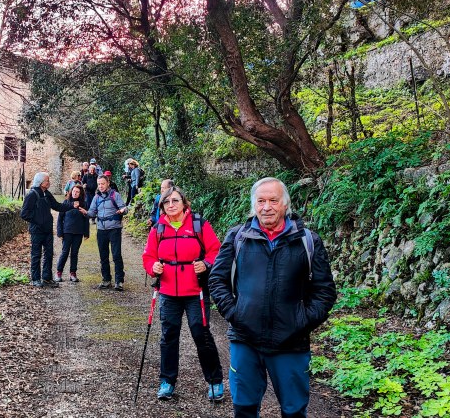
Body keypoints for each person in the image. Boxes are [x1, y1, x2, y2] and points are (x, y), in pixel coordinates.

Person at [208, 177, 337, 418]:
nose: (266, 207)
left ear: (285, 204)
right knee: (244, 408)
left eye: (273, 200)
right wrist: (235, 314)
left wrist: (302, 321)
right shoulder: (238, 237)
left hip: (291, 342)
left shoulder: (307, 240)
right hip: (245, 339)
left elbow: (324, 290)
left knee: (294, 411)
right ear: (253, 205)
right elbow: (217, 280)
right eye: (261, 201)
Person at [142, 186, 224, 401]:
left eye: (175, 200)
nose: (171, 205)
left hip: (195, 290)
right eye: (166, 202)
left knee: (201, 334)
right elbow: (148, 256)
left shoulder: (199, 224)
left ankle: (215, 381)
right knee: (169, 336)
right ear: (162, 206)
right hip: (168, 291)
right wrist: (153, 267)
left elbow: (216, 250)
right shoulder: (158, 228)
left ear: (184, 203)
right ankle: (167, 381)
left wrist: (206, 264)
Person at [20, 172, 84, 288]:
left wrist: (71, 205)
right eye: (47, 181)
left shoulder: (47, 193)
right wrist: (39, 220)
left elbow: (57, 206)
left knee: (49, 254)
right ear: (41, 183)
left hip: (48, 230)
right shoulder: (32, 195)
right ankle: (35, 279)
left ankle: (47, 278)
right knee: (36, 255)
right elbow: (24, 214)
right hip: (37, 231)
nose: (49, 182)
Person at [86, 175, 128, 291]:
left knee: (116, 255)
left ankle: (119, 281)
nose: (100, 186)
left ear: (108, 183)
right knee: (103, 256)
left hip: (114, 229)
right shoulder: (96, 197)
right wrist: (85, 212)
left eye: (102, 184)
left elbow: (125, 209)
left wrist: (123, 210)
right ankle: (106, 279)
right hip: (101, 230)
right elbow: (92, 212)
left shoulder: (115, 195)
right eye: (99, 184)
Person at [55, 185, 90, 282]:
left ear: (80, 193)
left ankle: (73, 273)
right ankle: (59, 272)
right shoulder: (66, 203)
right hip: (67, 232)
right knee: (65, 252)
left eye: (77, 192)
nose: (75, 193)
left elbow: (86, 220)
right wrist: (60, 232)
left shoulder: (84, 204)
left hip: (78, 232)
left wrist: (86, 233)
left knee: (74, 253)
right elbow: (60, 219)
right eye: (74, 191)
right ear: (71, 192)